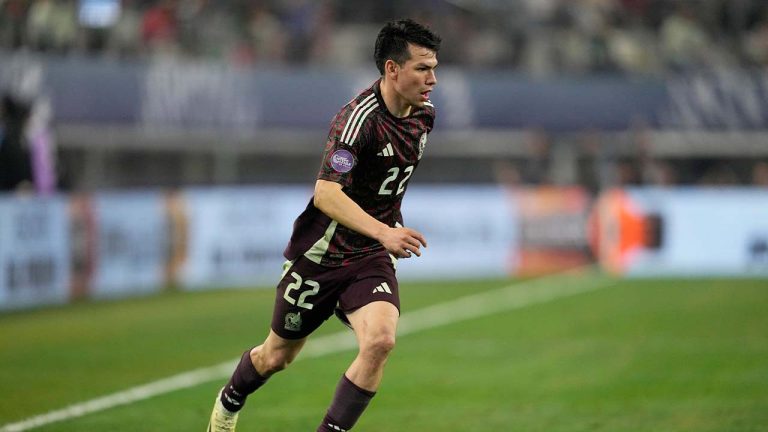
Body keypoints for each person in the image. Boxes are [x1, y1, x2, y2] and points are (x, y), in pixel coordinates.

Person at [207, 18, 440, 432]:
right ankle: (230, 401)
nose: (432, 79)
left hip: (369, 256)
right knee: (277, 356)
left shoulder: (425, 116)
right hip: (321, 255)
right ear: (391, 69)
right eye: (422, 68)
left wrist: (383, 231)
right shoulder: (357, 121)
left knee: (381, 341)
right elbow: (326, 194)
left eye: (434, 67)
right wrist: (385, 231)